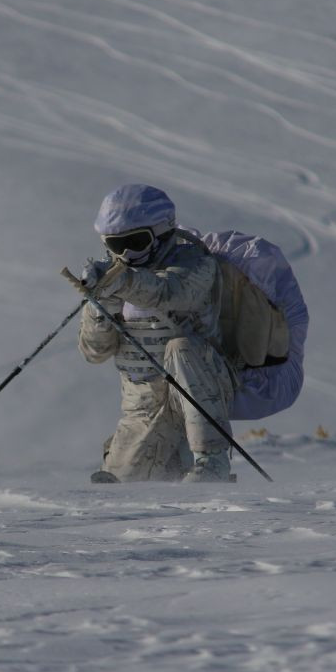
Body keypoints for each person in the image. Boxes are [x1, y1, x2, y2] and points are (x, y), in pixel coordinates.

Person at [78, 184, 237, 483]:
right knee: (128, 491)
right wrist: (100, 308)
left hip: (196, 385)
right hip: (142, 403)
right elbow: (94, 352)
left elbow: (168, 292)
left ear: (162, 232)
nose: (126, 254)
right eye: (115, 245)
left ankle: (212, 460)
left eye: (136, 242)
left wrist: (121, 282)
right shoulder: (114, 281)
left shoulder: (195, 263)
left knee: (181, 347)